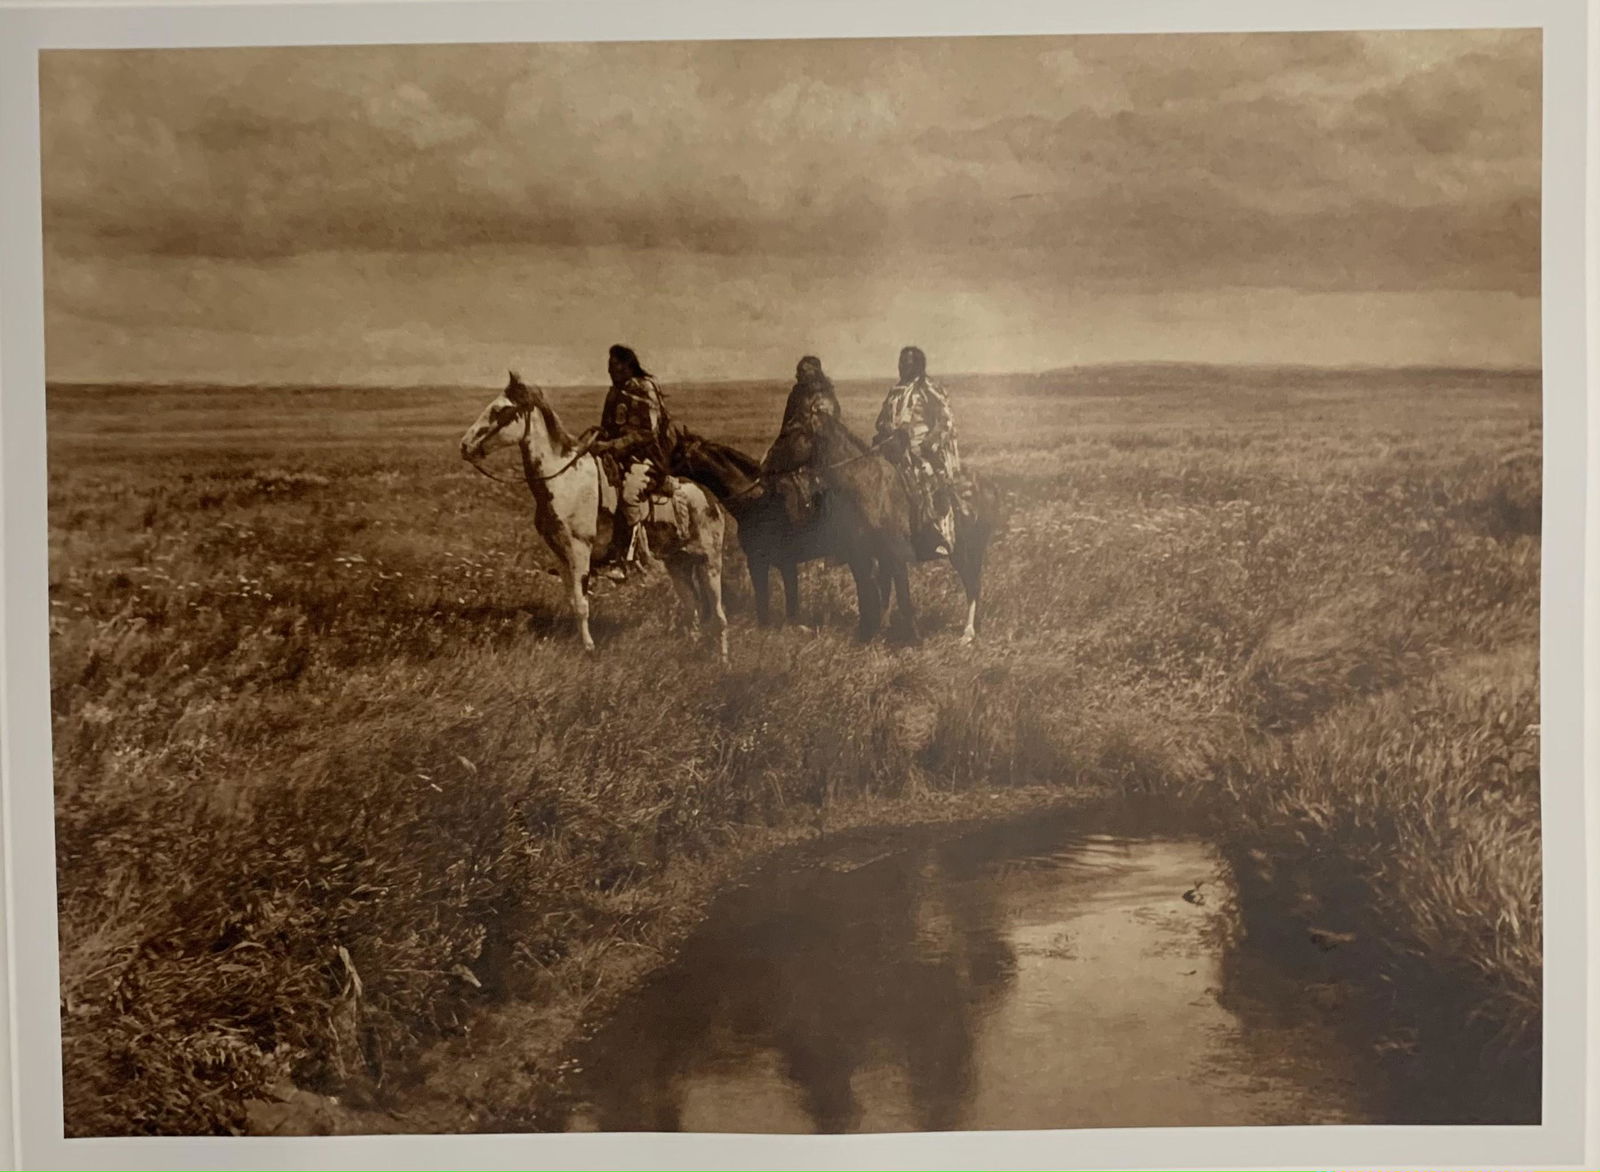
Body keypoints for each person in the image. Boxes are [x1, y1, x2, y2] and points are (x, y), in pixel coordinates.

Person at [588, 344, 673, 578]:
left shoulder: (644, 388)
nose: (610, 373)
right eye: (608, 368)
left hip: (648, 457)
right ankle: (600, 553)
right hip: (619, 457)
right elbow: (609, 426)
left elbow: (649, 432)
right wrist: (598, 437)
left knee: (628, 496)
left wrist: (612, 445)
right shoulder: (615, 391)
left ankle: (633, 558)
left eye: (614, 367)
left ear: (628, 366)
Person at [874, 345, 961, 557]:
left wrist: (928, 443)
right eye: (901, 361)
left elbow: (945, 419)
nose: (902, 366)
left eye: (908, 362)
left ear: (918, 365)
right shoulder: (896, 391)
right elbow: (881, 420)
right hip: (893, 448)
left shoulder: (928, 388)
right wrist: (886, 429)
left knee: (924, 478)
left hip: (921, 449)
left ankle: (937, 534)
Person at [761, 355, 843, 525]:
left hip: (816, 444)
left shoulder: (824, 396)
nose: (797, 375)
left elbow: (826, 426)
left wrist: (804, 432)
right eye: (798, 372)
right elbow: (786, 422)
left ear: (814, 373)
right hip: (792, 441)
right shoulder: (796, 394)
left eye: (802, 372)